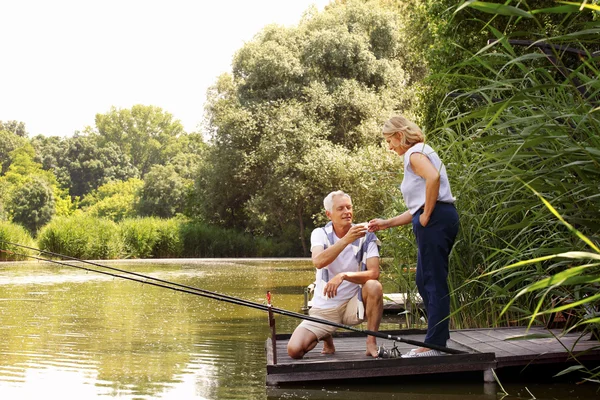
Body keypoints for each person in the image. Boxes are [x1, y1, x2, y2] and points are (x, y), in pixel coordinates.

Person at [368, 115, 459, 358]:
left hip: (436, 219)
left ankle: (435, 346)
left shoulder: (413, 154)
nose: (389, 147)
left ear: (400, 135)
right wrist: (387, 223)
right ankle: (437, 339)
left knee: (432, 280)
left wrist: (427, 214)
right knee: (424, 278)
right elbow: (416, 208)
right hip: (440, 217)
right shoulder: (423, 151)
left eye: (390, 140)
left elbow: (433, 179)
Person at [287, 190, 383, 359]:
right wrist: (346, 239)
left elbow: (374, 273)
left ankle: (371, 343)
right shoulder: (320, 234)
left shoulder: (366, 234)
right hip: (325, 309)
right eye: (340, 208)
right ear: (329, 214)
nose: (347, 212)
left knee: (374, 286)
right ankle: (326, 336)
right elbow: (318, 261)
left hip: (354, 304)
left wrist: (344, 275)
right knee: (294, 350)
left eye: (349, 207)